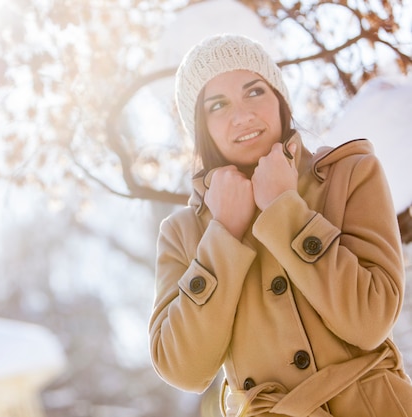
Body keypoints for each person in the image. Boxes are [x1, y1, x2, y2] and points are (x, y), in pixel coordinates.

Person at [148, 33, 412, 417]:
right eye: (217, 105)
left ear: (280, 100)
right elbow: (182, 368)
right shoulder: (183, 233)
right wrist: (222, 234)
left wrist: (285, 210)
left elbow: (369, 321)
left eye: (254, 92)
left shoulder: (351, 174)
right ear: (201, 127)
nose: (241, 116)